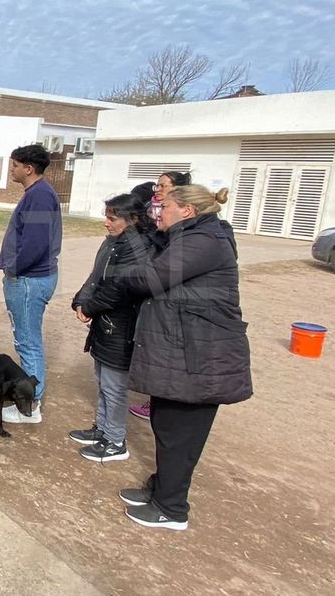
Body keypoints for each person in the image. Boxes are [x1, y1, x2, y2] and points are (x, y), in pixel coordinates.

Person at [100, 185, 252, 530]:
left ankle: (171, 509)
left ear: (187, 211)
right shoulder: (185, 236)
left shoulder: (205, 240)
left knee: (180, 434)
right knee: (167, 425)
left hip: (200, 356)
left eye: (164, 206)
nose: (158, 212)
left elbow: (150, 278)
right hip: (184, 351)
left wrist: (127, 266)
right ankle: (161, 490)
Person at [67, 194, 156, 463]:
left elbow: (119, 289)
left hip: (122, 326)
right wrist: (80, 301)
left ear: (134, 219)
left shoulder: (138, 247)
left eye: (112, 218)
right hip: (106, 324)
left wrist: (91, 307)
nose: (106, 223)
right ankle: (102, 429)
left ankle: (115, 440)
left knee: (115, 386)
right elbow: (96, 277)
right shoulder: (114, 242)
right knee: (102, 380)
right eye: (106, 216)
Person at [0, 143, 61, 424]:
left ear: (28, 168)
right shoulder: (37, 193)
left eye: (14, 165)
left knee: (28, 343)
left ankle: (30, 405)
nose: (11, 169)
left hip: (29, 280)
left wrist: (13, 269)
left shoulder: (40, 196)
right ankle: (28, 397)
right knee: (27, 340)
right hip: (30, 278)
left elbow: (34, 244)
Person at [130, 170, 190, 420]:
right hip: (157, 301)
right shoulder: (158, 219)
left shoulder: (188, 236)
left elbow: (154, 276)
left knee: (169, 354)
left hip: (173, 305)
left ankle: (160, 402)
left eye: (163, 186)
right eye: (157, 185)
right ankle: (154, 399)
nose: (158, 189)